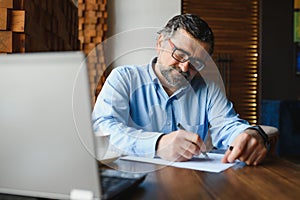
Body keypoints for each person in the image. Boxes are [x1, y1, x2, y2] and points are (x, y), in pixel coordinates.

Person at [92, 14, 268, 166]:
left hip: (192, 185)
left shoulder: (208, 89)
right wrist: (157, 144)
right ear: (160, 42)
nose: (184, 68)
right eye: (180, 55)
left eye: (196, 63)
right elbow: (103, 129)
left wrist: (249, 134)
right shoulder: (124, 78)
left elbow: (228, 126)